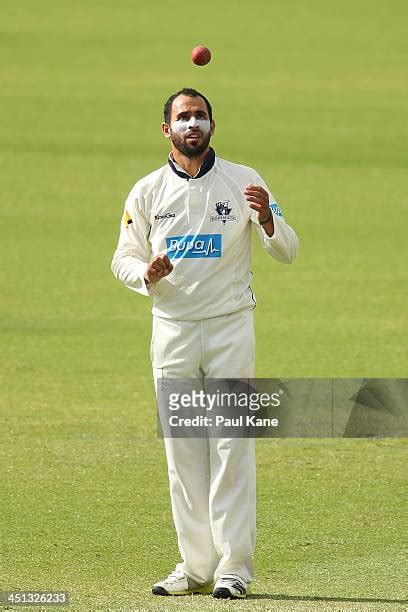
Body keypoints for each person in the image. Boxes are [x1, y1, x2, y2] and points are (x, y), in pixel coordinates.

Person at [111, 87, 299, 599]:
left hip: (229, 328)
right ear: (166, 130)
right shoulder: (147, 192)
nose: (192, 124)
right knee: (184, 453)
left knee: (231, 447)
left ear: (212, 125)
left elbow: (288, 249)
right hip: (171, 330)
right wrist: (144, 272)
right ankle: (195, 567)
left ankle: (233, 569)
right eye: (182, 117)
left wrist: (266, 219)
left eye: (200, 116)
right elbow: (121, 257)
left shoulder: (245, 180)